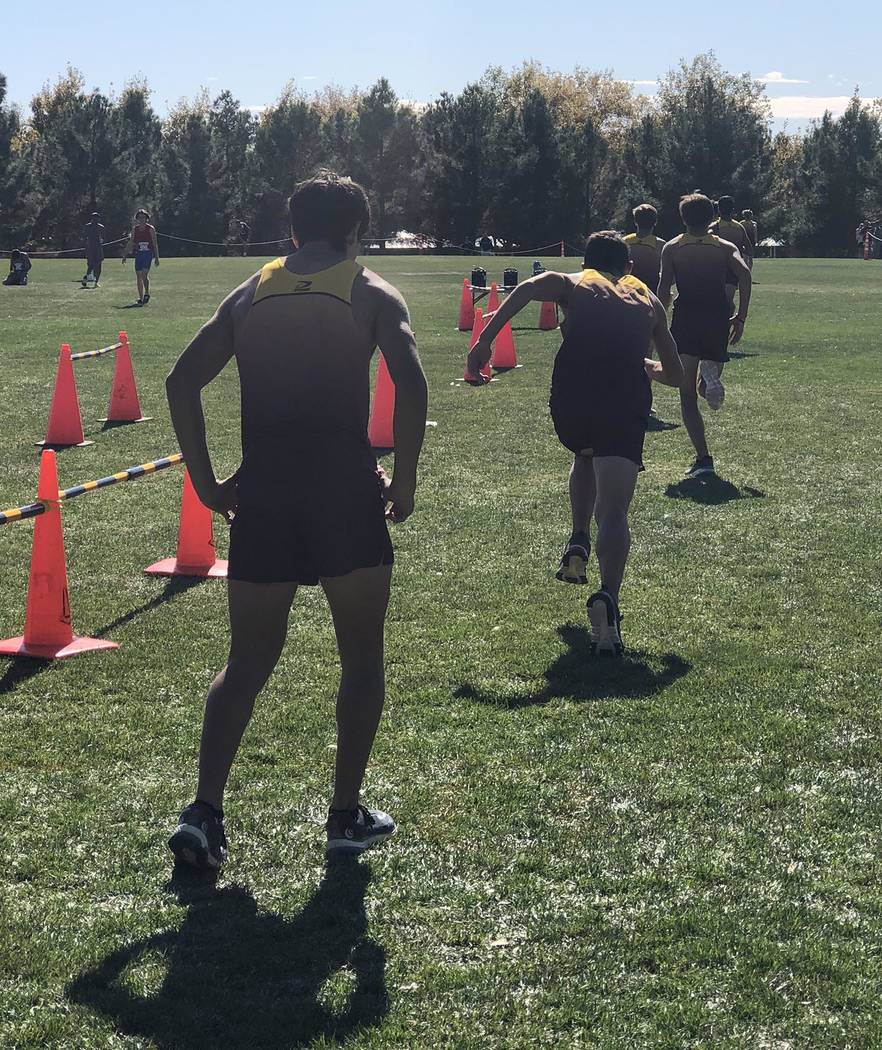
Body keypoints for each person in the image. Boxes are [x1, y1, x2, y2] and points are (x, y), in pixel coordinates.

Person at [165, 172, 428, 868]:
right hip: (344, 493)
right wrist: (404, 478)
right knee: (361, 658)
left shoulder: (250, 292)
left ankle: (204, 812)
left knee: (246, 663)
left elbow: (180, 382)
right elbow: (412, 381)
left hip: (266, 496)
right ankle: (344, 816)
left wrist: (207, 483)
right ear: (356, 232)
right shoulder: (372, 292)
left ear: (292, 230)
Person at [468, 231, 684, 656]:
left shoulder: (574, 282)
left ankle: (579, 538)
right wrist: (648, 366)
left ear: (587, 262)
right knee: (615, 511)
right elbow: (675, 375)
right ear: (629, 268)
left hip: (573, 401)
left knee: (584, 454)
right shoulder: (648, 299)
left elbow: (527, 288)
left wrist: (485, 340)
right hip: (624, 402)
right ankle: (609, 597)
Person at [657, 194, 752, 478]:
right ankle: (708, 379)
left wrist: (658, 321)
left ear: (683, 218)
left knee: (687, 394)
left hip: (687, 317)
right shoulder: (724, 247)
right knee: (705, 381)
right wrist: (741, 317)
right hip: (717, 318)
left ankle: (704, 458)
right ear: (711, 217)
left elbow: (664, 288)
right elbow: (745, 275)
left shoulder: (673, 248)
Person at [710, 196, 752, 308]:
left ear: (718, 209)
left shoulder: (714, 227)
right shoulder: (739, 227)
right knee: (728, 299)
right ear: (733, 209)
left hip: (716, 269)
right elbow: (749, 248)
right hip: (733, 269)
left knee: (717, 300)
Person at [623, 204, 665, 292]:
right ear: (655, 222)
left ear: (635, 222)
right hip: (651, 291)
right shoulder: (660, 244)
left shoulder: (625, 241)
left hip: (627, 289)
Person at [122, 208, 160, 305]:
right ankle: (141, 297)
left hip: (147, 253)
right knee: (138, 275)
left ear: (147, 218)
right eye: (140, 218)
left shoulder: (150, 229)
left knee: (144, 274)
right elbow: (131, 242)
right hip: (139, 254)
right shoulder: (135, 229)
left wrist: (156, 258)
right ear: (137, 219)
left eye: (143, 217)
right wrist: (125, 255)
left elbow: (155, 244)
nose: (142, 219)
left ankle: (146, 293)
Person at [82, 211, 105, 287]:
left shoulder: (100, 227)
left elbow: (103, 237)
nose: (95, 220)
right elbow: (84, 237)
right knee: (93, 265)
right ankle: (89, 279)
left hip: (95, 248)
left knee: (95, 265)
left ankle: (95, 281)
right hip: (93, 248)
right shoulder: (89, 226)